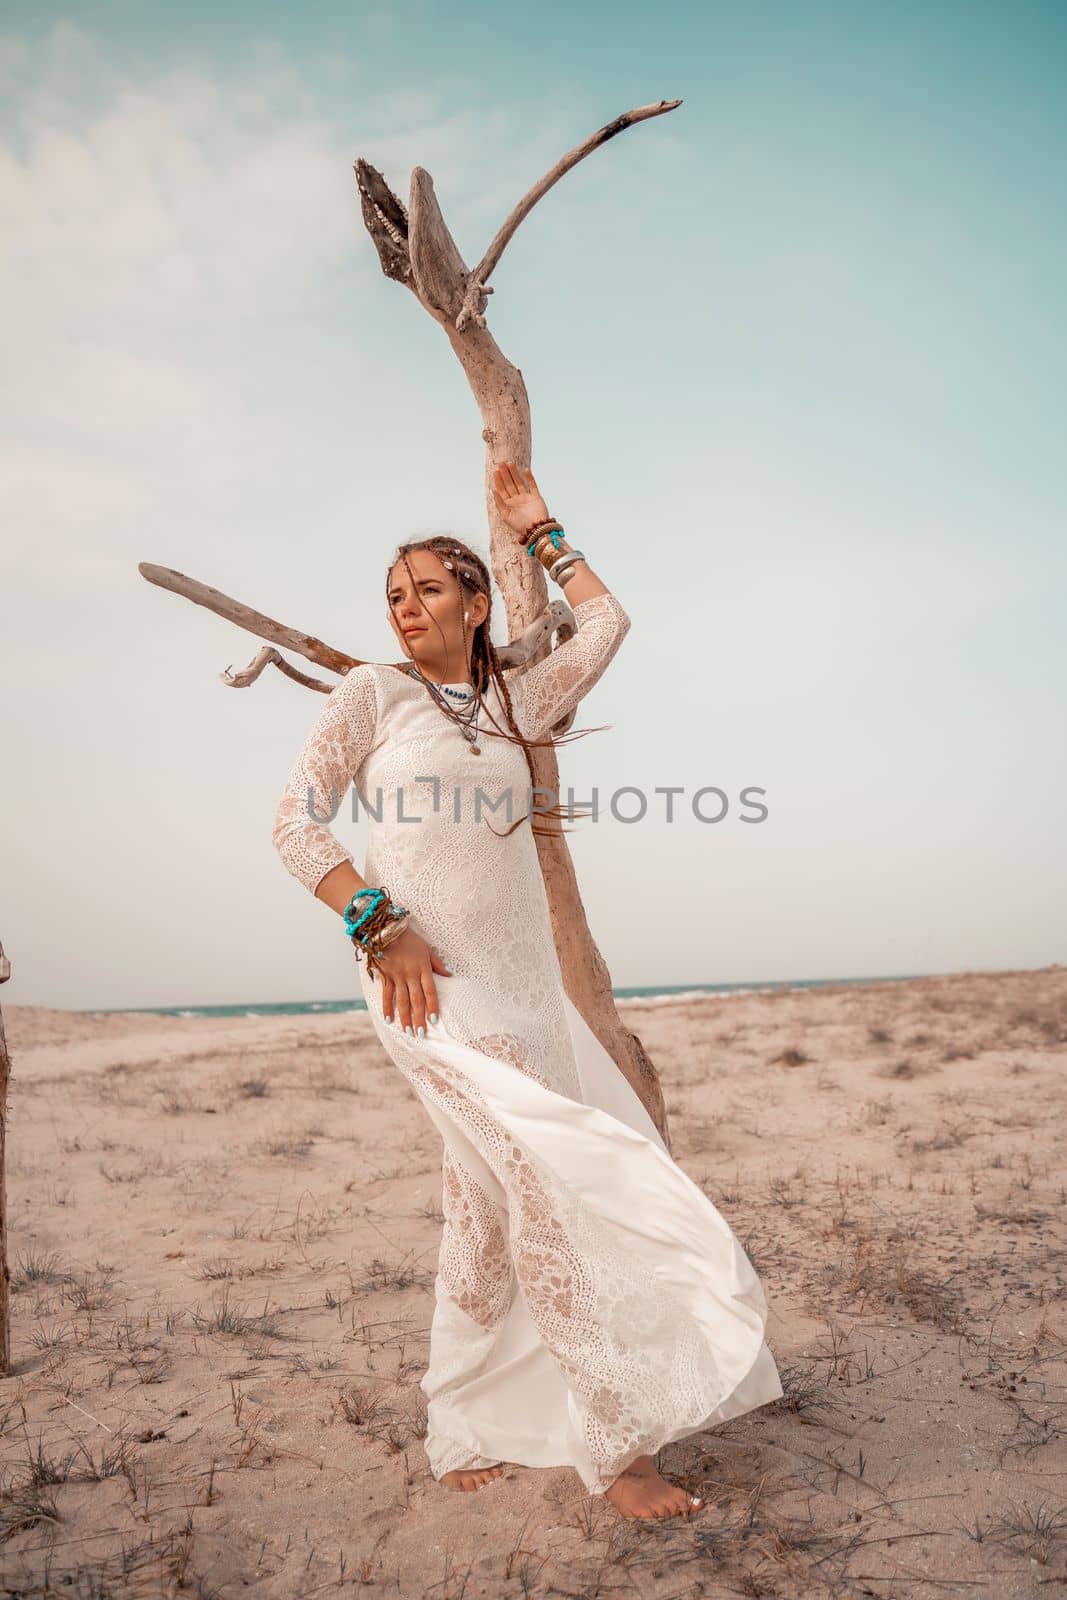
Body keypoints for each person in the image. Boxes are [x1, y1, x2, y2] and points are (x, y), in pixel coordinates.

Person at [272, 461, 783, 1520]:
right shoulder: (370, 693)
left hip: (526, 995)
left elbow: (606, 624)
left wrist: (543, 527)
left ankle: (456, 1417)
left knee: (481, 1205)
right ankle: (620, 1451)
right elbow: (294, 825)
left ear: (474, 601)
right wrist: (378, 920)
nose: (404, 606)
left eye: (424, 588)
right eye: (392, 594)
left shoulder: (514, 700)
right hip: (425, 990)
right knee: (548, 1192)